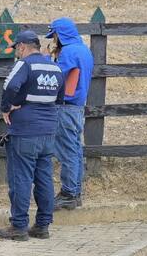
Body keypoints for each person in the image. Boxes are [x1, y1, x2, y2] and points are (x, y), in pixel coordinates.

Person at [0, 30, 63, 241]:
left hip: (25, 131)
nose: (17, 53)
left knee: (21, 178)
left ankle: (18, 226)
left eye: (17, 49)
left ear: (22, 47)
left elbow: (10, 85)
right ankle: (42, 225)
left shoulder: (25, 65)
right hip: (48, 131)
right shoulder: (54, 66)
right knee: (44, 178)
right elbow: (60, 99)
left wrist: (6, 107)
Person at [46, 17, 94, 210]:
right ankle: (75, 192)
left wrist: (47, 59)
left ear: (61, 34)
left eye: (55, 35)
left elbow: (54, 76)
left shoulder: (68, 52)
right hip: (77, 107)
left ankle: (68, 194)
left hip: (65, 107)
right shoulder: (84, 50)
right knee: (75, 150)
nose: (54, 39)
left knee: (67, 152)